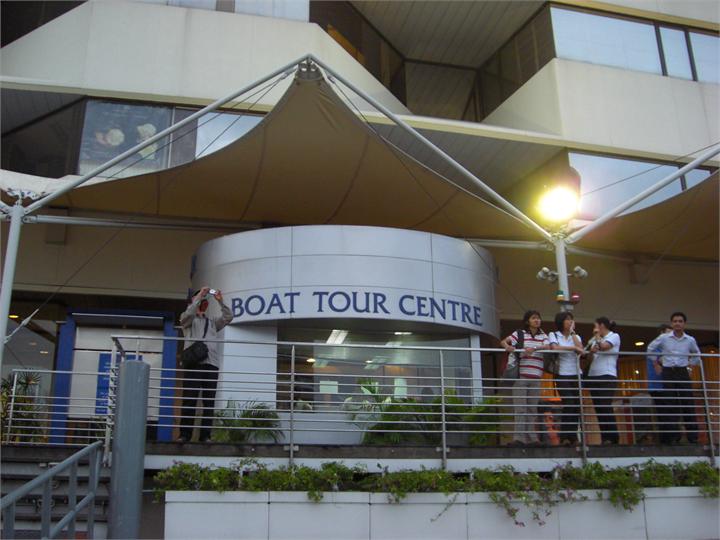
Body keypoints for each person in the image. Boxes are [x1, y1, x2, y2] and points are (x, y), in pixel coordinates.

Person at [177, 286, 233, 443]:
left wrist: (220, 301)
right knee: (189, 400)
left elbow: (228, 317)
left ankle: (205, 436)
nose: (203, 301)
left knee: (209, 402)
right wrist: (199, 295)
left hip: (211, 364)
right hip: (193, 364)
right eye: (200, 299)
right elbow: (187, 315)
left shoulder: (213, 322)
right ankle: (185, 435)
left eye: (204, 299)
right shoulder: (188, 320)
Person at [647, 312, 701, 444]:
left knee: (688, 403)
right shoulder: (664, 338)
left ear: (684, 324)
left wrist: (690, 365)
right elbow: (650, 349)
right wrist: (657, 362)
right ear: (672, 323)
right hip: (668, 372)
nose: (677, 323)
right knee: (669, 404)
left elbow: (697, 354)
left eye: (680, 321)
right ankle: (673, 437)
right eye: (675, 321)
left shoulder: (690, 340)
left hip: (682, 372)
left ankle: (693, 437)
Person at [502, 310, 548, 446]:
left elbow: (548, 345)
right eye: (534, 318)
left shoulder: (543, 335)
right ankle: (519, 438)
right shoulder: (520, 333)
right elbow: (504, 341)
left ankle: (532, 438)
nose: (537, 320)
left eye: (538, 318)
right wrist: (507, 347)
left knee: (532, 409)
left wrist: (534, 348)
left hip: (536, 377)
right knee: (520, 408)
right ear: (528, 321)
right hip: (521, 376)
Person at [549, 311, 585, 446]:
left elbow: (581, 349)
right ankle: (564, 435)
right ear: (561, 321)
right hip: (562, 373)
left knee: (576, 405)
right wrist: (573, 348)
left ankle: (573, 436)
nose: (570, 321)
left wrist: (573, 333)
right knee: (569, 402)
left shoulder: (576, 336)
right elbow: (555, 348)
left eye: (571, 319)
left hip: (576, 373)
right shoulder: (554, 335)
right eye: (567, 319)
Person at [586, 317, 621, 445]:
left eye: (595, 326)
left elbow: (605, 347)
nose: (594, 329)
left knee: (605, 405)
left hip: (607, 374)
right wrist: (591, 352)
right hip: (593, 375)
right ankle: (605, 437)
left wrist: (597, 337)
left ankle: (613, 437)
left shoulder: (614, 336)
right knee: (598, 407)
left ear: (601, 325)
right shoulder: (595, 340)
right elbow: (589, 359)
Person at [645, 324, 672, 443]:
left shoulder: (663, 348)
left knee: (666, 412)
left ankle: (669, 437)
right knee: (663, 413)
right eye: (668, 333)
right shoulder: (656, 347)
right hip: (658, 385)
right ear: (661, 333)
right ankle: (666, 439)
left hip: (664, 385)